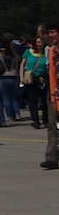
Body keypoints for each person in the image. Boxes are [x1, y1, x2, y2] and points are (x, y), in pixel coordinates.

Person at [41, 21, 59, 170]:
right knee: (53, 125)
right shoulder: (52, 51)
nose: (50, 35)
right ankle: (52, 157)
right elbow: (52, 75)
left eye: (53, 32)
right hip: (56, 93)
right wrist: (53, 97)